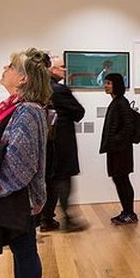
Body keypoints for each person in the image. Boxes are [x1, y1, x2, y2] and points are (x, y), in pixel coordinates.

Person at [0, 48, 52, 278]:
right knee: (21, 251)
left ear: (23, 78)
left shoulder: (26, 111)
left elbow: (22, 162)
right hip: (20, 194)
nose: (4, 68)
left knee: (25, 252)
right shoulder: (22, 108)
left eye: (11, 66)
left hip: (20, 195)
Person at [40, 55, 86, 232]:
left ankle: (47, 218)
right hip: (62, 143)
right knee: (63, 179)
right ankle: (66, 218)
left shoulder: (42, 89)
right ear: (51, 69)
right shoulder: (58, 90)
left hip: (48, 143)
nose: (65, 70)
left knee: (52, 181)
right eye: (61, 66)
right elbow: (79, 112)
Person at [100, 73, 137, 225]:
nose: (106, 86)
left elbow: (128, 127)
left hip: (121, 150)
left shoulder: (121, 102)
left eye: (109, 83)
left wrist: (116, 140)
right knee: (119, 179)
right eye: (106, 83)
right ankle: (127, 211)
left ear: (117, 85)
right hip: (116, 149)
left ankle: (130, 213)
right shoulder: (116, 102)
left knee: (123, 180)